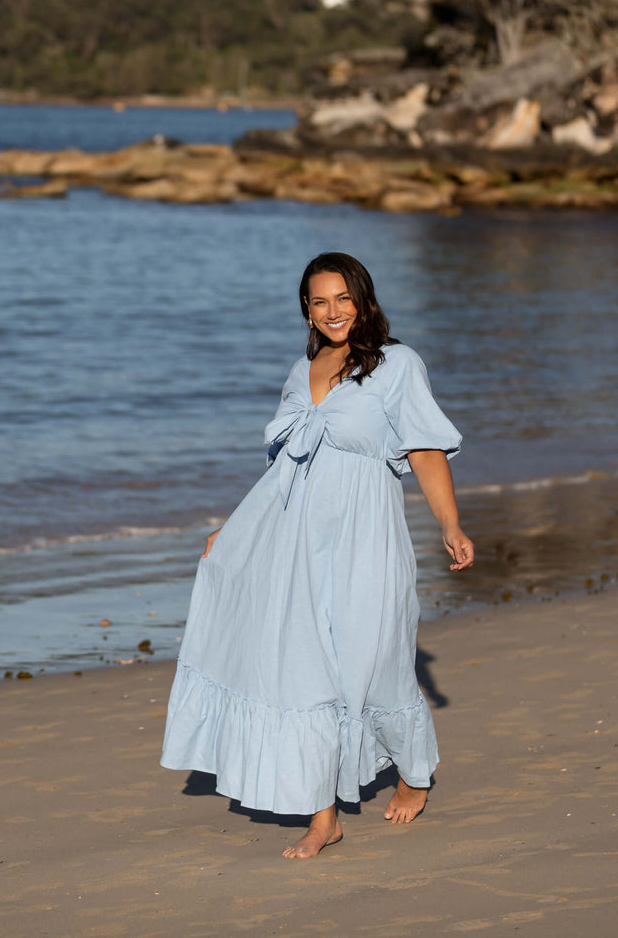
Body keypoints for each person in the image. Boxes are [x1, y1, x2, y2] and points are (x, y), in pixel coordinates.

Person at [160, 251, 474, 860]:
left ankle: (414, 773)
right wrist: (234, 530)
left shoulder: (397, 365)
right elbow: (281, 469)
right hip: (294, 540)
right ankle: (323, 814)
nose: (331, 312)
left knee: (376, 659)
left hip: (365, 535)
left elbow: (427, 449)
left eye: (342, 298)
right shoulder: (300, 367)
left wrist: (450, 524)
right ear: (306, 307)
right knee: (304, 667)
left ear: (363, 299)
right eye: (318, 301)